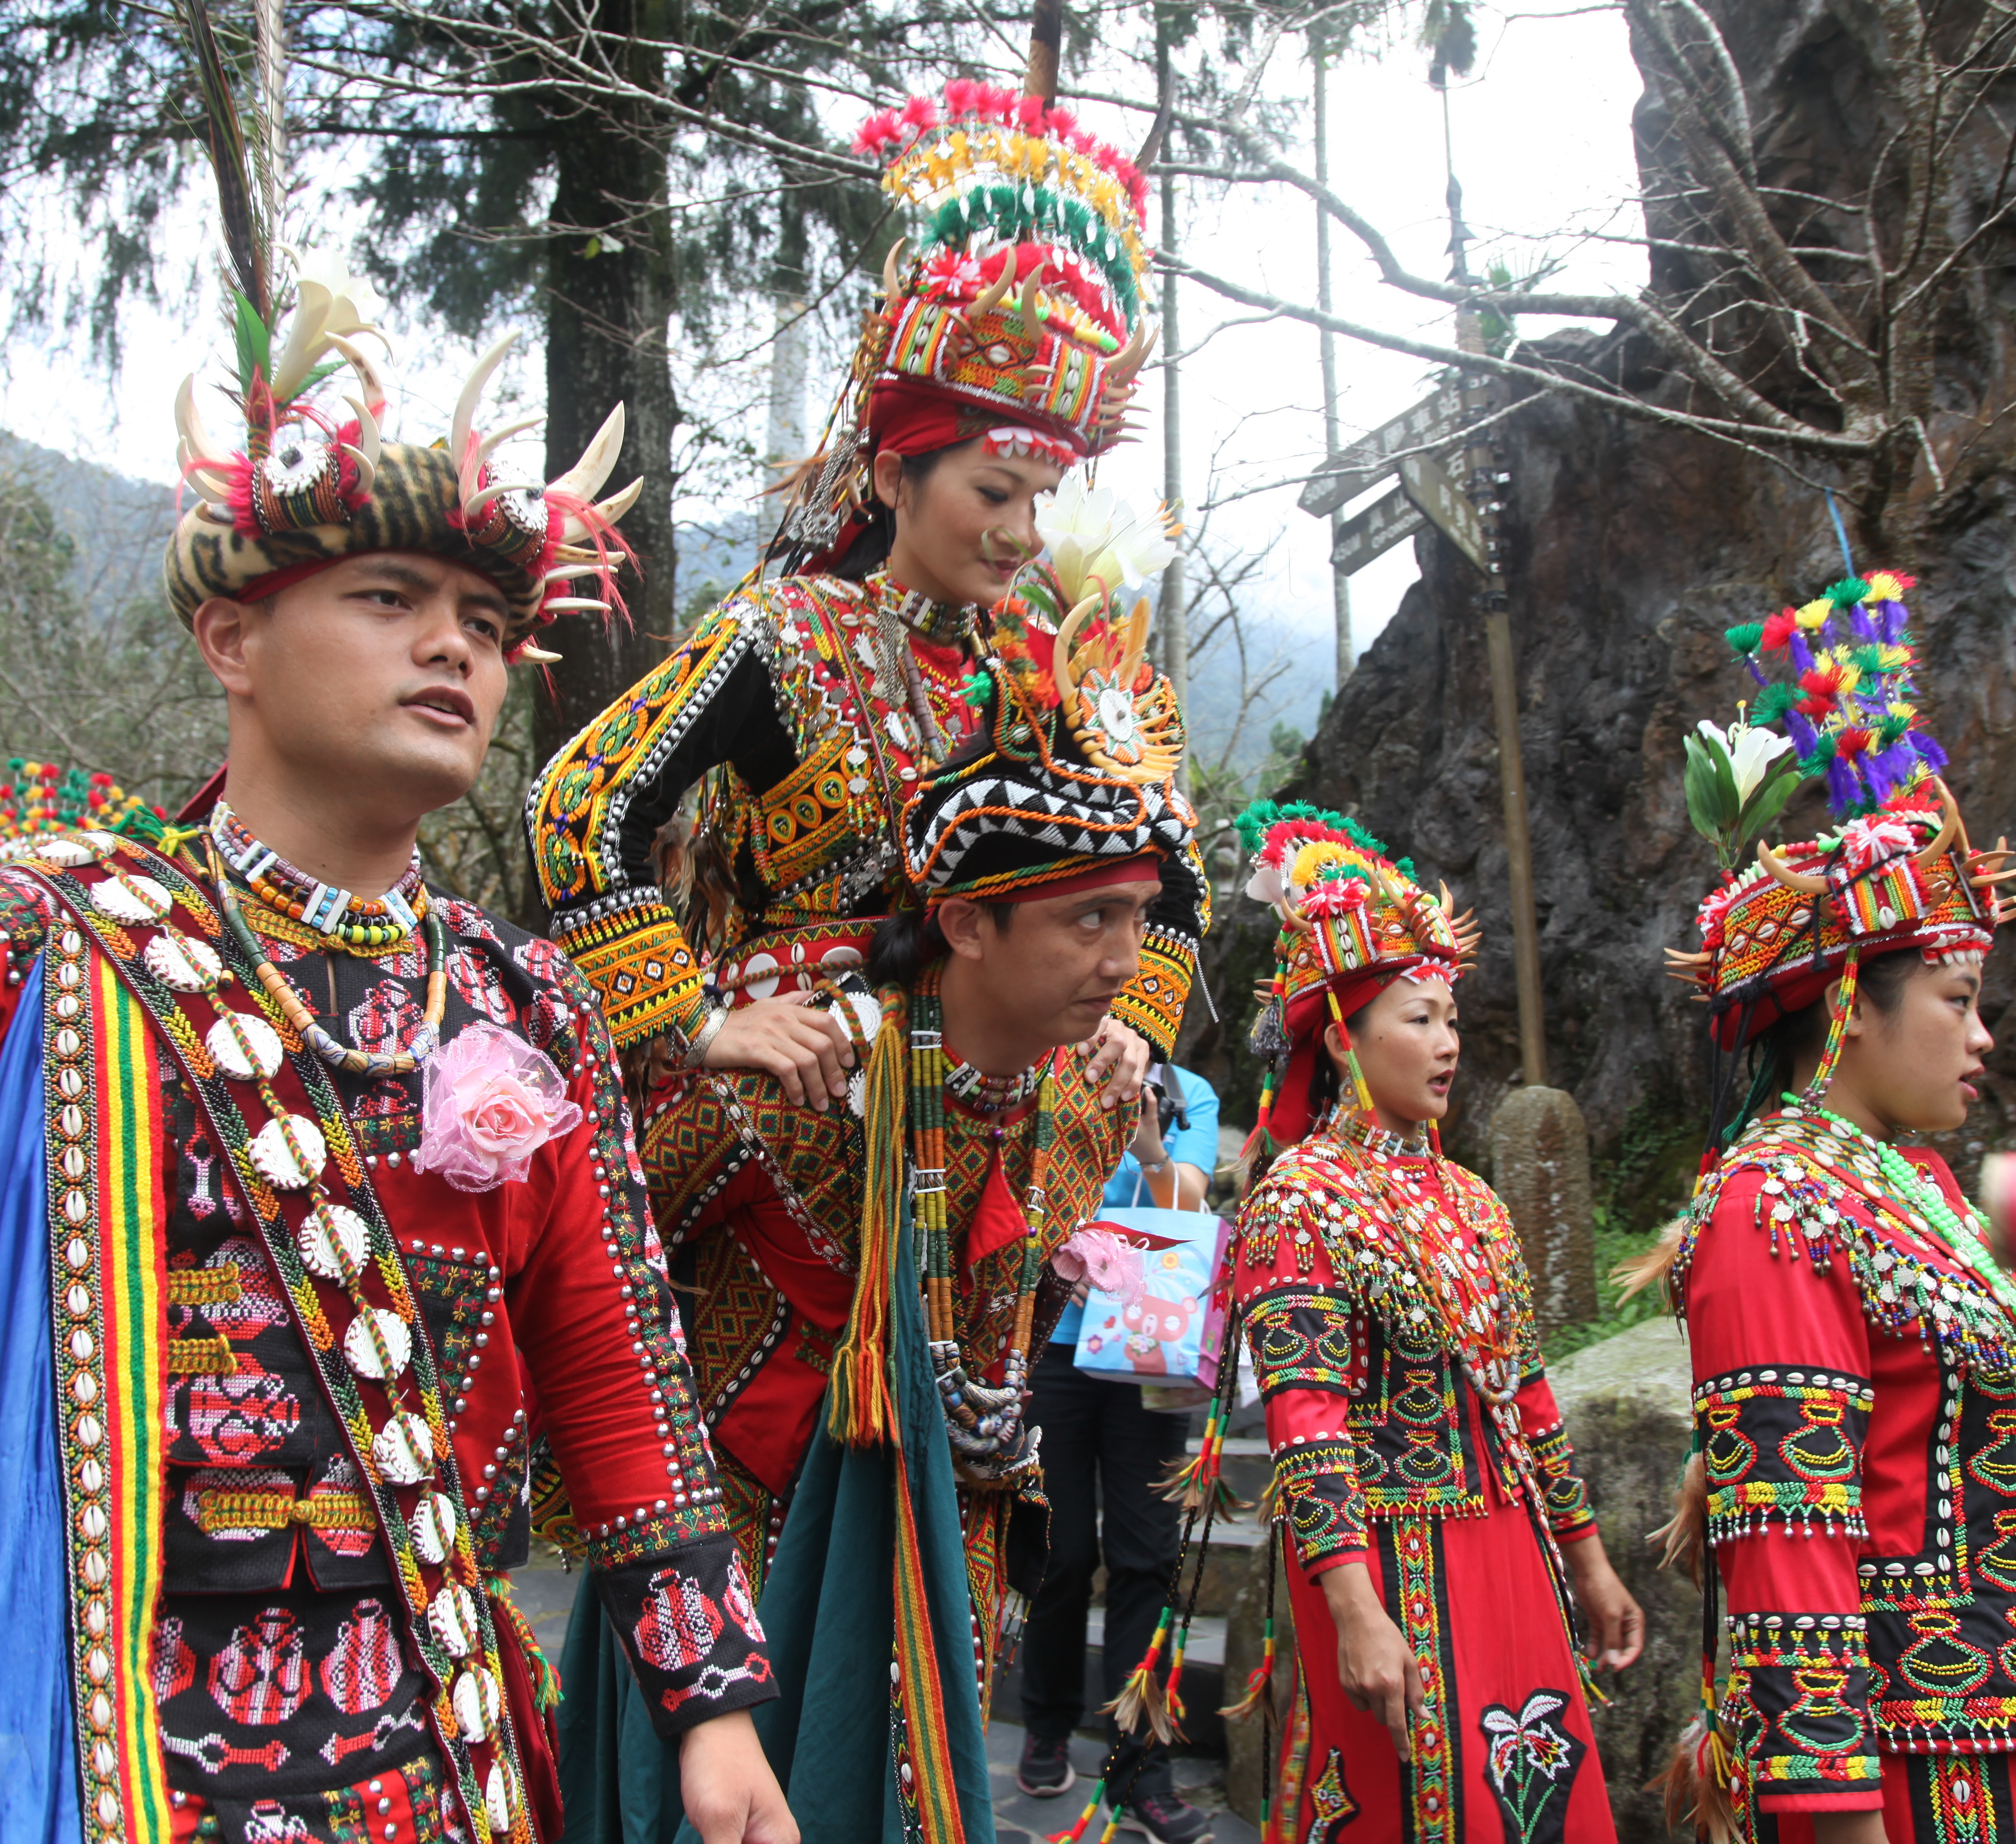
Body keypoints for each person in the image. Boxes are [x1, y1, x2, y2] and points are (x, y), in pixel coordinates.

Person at [0, 231, 791, 1843]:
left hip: (434, 1768)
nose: (456, 646)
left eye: (487, 622)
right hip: (70, 1760)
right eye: (389, 598)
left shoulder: (526, 1005)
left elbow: (614, 1368)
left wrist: (713, 1708)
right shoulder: (4, 956)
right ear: (232, 641)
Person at [558, 577, 1204, 1844]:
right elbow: (595, 1273)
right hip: (745, 1543)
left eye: (1139, 917)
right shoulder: (800, 1079)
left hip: (952, 1546)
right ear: (965, 922)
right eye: (1091, 918)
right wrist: (690, 1025)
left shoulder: (1083, 1104)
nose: (1129, 964)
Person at [529, 78, 1184, 1112]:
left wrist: (1136, 1013)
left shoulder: (1052, 663)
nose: (1023, 533)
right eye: (993, 493)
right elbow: (582, 802)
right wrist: (692, 1019)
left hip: (998, 1120)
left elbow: (1167, 853)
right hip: (802, 1116)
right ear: (892, 481)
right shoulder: (787, 634)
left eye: (1044, 500)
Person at [1642, 573, 2016, 1843]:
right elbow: (1787, 1529)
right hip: (1912, 1775)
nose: (1985, 1038)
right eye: (1957, 1001)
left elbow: (2013, 1471)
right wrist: (1836, 1814)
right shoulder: (1773, 1205)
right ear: (1849, 1011)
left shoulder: (1918, 1191)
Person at [1223, 803, 1644, 1844]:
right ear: (1342, 1038)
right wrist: (1356, 1608)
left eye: (1452, 1020)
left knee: (1534, 1805)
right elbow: (1307, 1426)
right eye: (1419, 1020)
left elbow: (1529, 1397)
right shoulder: (1302, 1200)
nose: (1449, 1044)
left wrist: (1588, 1561)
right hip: (1390, 1563)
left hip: (1510, 1547)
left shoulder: (1473, 1202)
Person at [1012, 1064, 1219, 1841]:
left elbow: (1188, 1208)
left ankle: (1141, 1770)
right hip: (1053, 1347)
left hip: (1151, 1348)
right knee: (1058, 1553)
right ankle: (1046, 1724)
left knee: (1147, 1558)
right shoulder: (1046, 1070)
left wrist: (1150, 1146)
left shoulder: (1186, 1092)